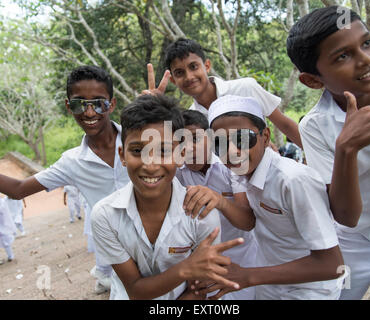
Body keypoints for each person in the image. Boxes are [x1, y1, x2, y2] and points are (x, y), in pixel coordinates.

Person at [91, 94, 244, 300]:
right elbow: (135, 290)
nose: (151, 165)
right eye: (137, 151)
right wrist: (187, 268)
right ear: (122, 155)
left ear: (181, 155)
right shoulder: (105, 215)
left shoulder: (202, 214)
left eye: (163, 150)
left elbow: (201, 290)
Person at [195, 95, 345, 300]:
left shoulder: (292, 180)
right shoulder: (246, 173)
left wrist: (249, 276)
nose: (232, 151)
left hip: (308, 290)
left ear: (265, 137)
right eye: (220, 143)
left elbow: (332, 265)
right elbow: (248, 220)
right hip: (270, 284)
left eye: (242, 138)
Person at [286, 6, 370, 299]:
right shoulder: (315, 127)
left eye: (367, 43)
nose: (366, 59)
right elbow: (346, 216)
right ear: (313, 80)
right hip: (353, 243)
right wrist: (346, 148)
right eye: (342, 56)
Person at [0, 65, 129, 294]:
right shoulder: (72, 162)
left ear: (112, 104)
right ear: (69, 106)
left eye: (98, 103)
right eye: (80, 103)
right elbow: (18, 189)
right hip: (119, 258)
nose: (89, 113)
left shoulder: (137, 139)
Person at [142, 38, 302, 148]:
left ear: (207, 65)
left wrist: (318, 162)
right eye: (179, 72)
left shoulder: (245, 88)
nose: (189, 77)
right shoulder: (190, 120)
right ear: (173, 80)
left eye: (193, 67)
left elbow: (285, 124)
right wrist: (156, 110)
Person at [175, 109, 258, 299]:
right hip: (201, 262)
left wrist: (219, 200)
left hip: (243, 257)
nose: (189, 148)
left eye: (195, 138)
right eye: (181, 141)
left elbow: (247, 221)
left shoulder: (229, 165)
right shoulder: (177, 173)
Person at [0, 196, 17, 264]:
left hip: (2, 225)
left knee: (6, 242)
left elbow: (2, 210)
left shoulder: (2, 201)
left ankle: (10, 256)